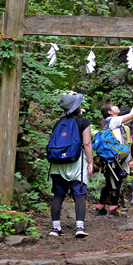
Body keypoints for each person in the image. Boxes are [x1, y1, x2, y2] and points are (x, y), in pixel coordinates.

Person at [49, 92, 93, 238]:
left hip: (57, 163)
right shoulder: (83, 122)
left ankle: (55, 228)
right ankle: (79, 227)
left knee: (58, 195)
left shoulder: (58, 123)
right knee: (79, 195)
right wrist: (91, 162)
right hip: (76, 163)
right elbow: (87, 143)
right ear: (77, 107)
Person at [96, 92, 133, 216]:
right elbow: (132, 114)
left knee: (110, 183)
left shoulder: (111, 122)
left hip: (111, 157)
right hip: (114, 158)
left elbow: (130, 118)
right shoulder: (113, 120)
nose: (116, 107)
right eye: (113, 106)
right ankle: (113, 208)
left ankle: (100, 207)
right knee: (117, 182)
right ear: (110, 112)